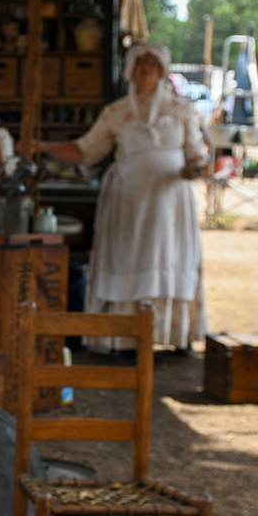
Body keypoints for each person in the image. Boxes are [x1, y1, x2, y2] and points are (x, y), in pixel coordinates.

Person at [37, 42, 208, 354]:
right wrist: (42, 146)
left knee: (170, 259)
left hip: (171, 205)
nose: (145, 69)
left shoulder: (181, 110)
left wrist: (194, 170)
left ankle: (175, 335)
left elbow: (197, 156)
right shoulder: (116, 112)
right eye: (140, 63)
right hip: (129, 205)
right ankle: (122, 339)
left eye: (152, 64)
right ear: (130, 70)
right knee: (129, 259)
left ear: (162, 71)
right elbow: (84, 150)